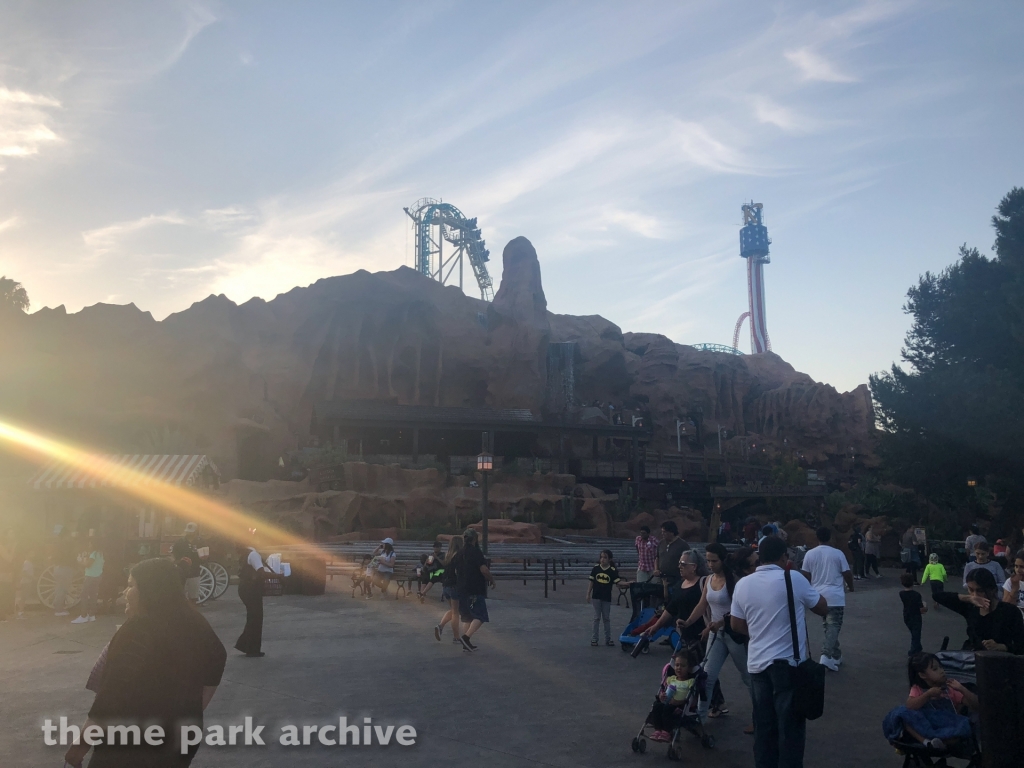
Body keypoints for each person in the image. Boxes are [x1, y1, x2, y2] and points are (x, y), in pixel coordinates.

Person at [62, 558, 226, 768]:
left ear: (149, 590)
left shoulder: (138, 630)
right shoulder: (195, 622)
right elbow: (217, 661)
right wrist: (192, 708)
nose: (125, 592)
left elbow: (111, 697)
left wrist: (78, 748)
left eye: (131, 585)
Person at [729, 536, 828, 768]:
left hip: (756, 664)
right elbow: (822, 608)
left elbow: (735, 625)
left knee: (764, 727)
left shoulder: (743, 583)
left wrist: (758, 633)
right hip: (788, 666)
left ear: (760, 557)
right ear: (784, 557)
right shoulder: (792, 577)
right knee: (790, 729)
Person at [681, 542, 753, 728]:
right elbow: (702, 604)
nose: (711, 564)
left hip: (734, 633)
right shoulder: (708, 580)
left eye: (714, 560)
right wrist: (688, 622)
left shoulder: (735, 580)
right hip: (716, 634)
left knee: (747, 676)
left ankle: (762, 714)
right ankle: (700, 718)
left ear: (723, 560)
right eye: (708, 560)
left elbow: (742, 610)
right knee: (707, 676)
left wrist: (720, 623)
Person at [897, 652, 978, 753]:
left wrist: (962, 689)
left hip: (947, 727)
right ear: (922, 675)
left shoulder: (950, 689)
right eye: (935, 669)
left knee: (964, 727)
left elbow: (976, 706)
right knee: (903, 715)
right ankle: (927, 742)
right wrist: (927, 695)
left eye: (941, 667)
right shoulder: (918, 689)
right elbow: (910, 706)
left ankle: (942, 743)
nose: (942, 671)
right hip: (926, 726)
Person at [799, 527, 853, 672]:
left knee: (828, 626)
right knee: (834, 625)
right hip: (835, 595)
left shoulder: (810, 554)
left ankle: (836, 655)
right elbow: (847, 573)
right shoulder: (837, 553)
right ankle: (826, 655)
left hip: (817, 596)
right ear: (829, 538)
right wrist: (851, 586)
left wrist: (808, 589)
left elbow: (805, 574)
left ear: (817, 537)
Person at [934, 568, 1024, 653]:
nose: (975, 595)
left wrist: (1001, 647)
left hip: (998, 660)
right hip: (970, 658)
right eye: (971, 590)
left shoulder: (1010, 611)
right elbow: (938, 596)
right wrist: (967, 598)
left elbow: (1020, 646)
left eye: (980, 590)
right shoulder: (970, 607)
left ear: (992, 590)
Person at [647, 646, 701, 743]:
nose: (679, 668)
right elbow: (664, 691)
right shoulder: (671, 679)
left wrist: (677, 702)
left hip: (680, 706)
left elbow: (690, 699)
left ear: (689, 668)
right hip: (668, 702)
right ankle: (658, 729)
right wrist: (661, 696)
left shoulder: (690, 682)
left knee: (667, 709)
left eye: (682, 666)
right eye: (676, 665)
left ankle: (667, 732)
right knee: (657, 706)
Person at [454, 529, 495, 652]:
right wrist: (492, 580)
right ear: (474, 539)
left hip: (461, 589)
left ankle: (466, 645)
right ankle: (466, 638)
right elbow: (484, 570)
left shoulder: (459, 553)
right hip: (475, 589)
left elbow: (456, 571)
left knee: (467, 617)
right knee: (480, 616)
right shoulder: (476, 552)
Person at [235, 537, 266, 658]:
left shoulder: (245, 553)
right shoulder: (254, 554)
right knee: (256, 618)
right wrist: (278, 576)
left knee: (252, 617)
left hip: (244, 588)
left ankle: (245, 645)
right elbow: (261, 572)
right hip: (252, 589)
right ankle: (252, 649)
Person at [586, 549, 621, 646]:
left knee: (606, 618)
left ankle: (608, 638)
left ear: (610, 559)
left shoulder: (612, 571)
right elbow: (591, 582)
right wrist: (588, 593)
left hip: (606, 597)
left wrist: (628, 584)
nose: (602, 559)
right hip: (596, 596)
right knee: (596, 617)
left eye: (605, 557)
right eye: (601, 557)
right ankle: (594, 638)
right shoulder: (596, 568)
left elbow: (618, 582)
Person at [434, 535, 464, 643]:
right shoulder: (459, 556)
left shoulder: (448, 555)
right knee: (456, 612)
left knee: (453, 610)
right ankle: (456, 637)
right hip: (454, 585)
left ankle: (440, 626)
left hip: (446, 586)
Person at [72, 538, 105, 624]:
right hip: (98, 576)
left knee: (84, 595)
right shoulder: (100, 554)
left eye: (90, 544)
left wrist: (80, 561)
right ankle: (92, 615)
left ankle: (83, 615)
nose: (89, 545)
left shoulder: (93, 554)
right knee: (93, 595)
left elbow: (88, 565)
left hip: (90, 576)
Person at [654, 521, 689, 600]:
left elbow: (687, 561)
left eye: (665, 532)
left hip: (675, 579)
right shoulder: (661, 543)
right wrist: (656, 569)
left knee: (673, 599)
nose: (662, 534)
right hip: (661, 578)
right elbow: (657, 557)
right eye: (662, 532)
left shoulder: (683, 545)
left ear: (672, 532)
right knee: (659, 599)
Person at [172, 522, 202, 604]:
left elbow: (205, 554)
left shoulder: (200, 542)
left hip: (195, 570)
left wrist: (203, 558)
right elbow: (174, 554)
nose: (190, 533)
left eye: (192, 531)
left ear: (195, 531)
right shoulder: (180, 542)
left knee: (194, 596)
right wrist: (179, 559)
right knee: (181, 595)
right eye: (188, 531)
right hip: (182, 571)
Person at [900, 573, 927, 655]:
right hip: (916, 617)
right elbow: (922, 610)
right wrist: (925, 604)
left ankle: (918, 648)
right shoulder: (916, 595)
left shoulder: (901, 593)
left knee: (914, 633)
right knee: (916, 635)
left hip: (906, 615)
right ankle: (913, 651)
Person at [51, 529, 76, 617]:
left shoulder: (57, 544)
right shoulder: (66, 545)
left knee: (59, 588)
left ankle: (57, 605)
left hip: (58, 567)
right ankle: (59, 609)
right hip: (64, 568)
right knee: (62, 589)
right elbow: (69, 556)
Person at [0, 530, 15, 621]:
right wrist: (13, 548)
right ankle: (2, 616)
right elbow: (9, 559)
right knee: (3, 594)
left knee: (5, 593)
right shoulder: (1, 546)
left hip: (6, 573)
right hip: (3, 573)